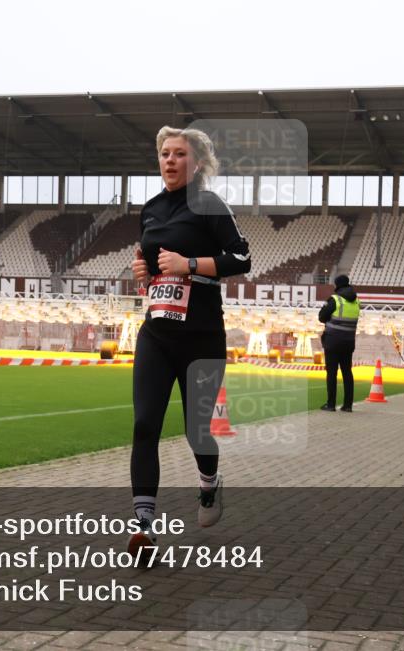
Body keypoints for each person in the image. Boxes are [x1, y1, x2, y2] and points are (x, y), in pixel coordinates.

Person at [127, 126, 251, 558]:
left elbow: (241, 258)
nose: (170, 160)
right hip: (157, 334)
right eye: (165, 153)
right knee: (145, 424)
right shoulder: (150, 210)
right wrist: (144, 274)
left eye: (180, 154)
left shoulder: (209, 205)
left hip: (201, 337)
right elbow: (152, 267)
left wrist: (189, 264)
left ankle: (209, 483)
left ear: (196, 163)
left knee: (197, 430)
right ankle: (144, 527)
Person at [318, 275, 359, 412]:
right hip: (349, 342)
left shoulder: (335, 299)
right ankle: (348, 405)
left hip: (333, 341)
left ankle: (331, 404)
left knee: (332, 373)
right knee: (347, 372)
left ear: (337, 285)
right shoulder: (356, 301)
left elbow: (321, 317)